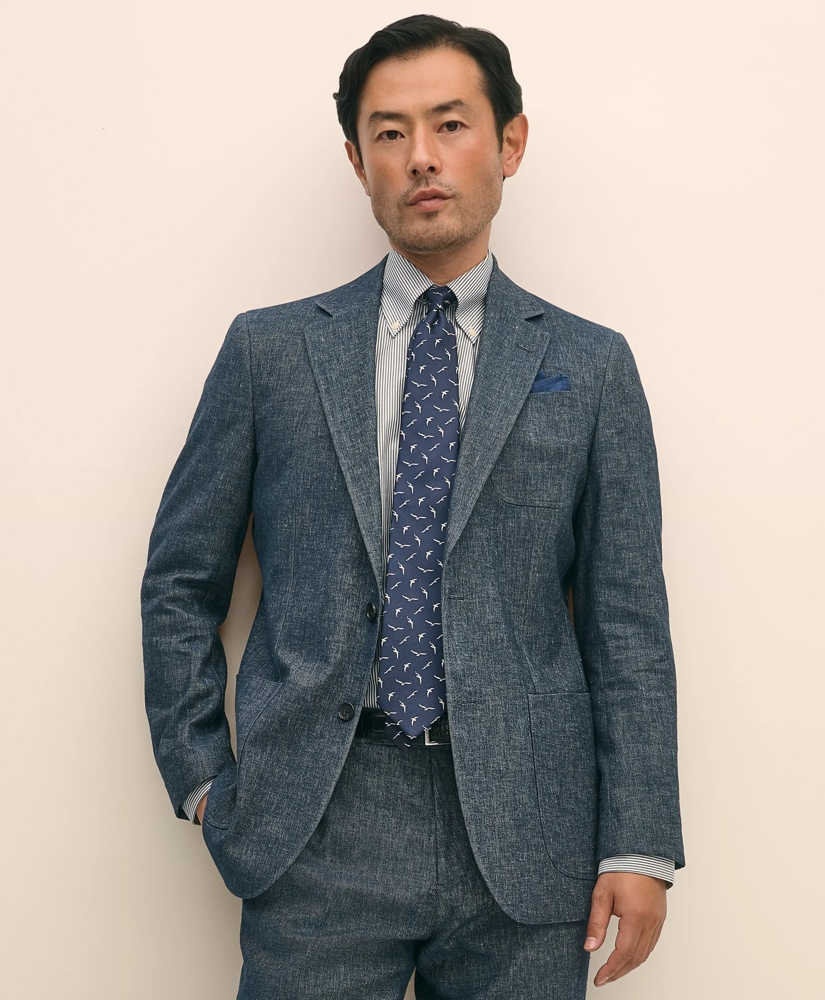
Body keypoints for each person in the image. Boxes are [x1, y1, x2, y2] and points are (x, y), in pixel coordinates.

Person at [141, 14, 685, 999]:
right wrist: (206, 781)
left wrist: (639, 841)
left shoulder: (591, 365)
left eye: (450, 123)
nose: (421, 157)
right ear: (359, 161)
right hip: (315, 824)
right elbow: (181, 580)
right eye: (389, 133)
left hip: (528, 833)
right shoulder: (270, 354)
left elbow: (627, 621)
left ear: (509, 142)